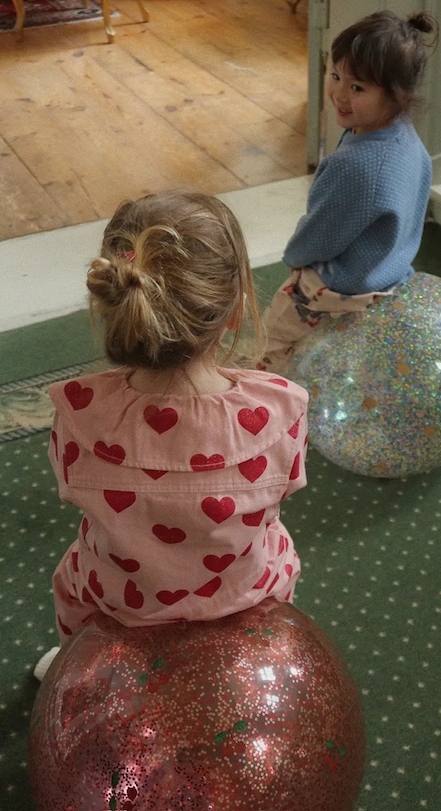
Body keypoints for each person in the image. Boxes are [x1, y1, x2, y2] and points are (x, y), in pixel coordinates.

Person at [34, 190, 308, 680]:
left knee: (74, 575)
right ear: (234, 310)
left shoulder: (78, 410)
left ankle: (79, 670)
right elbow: (286, 489)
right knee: (279, 546)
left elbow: (68, 486)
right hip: (243, 595)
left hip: (120, 599)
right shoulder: (282, 408)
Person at [259, 9, 439, 374]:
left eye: (357, 88)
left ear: (397, 96)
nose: (339, 94)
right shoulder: (407, 140)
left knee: (271, 338)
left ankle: (267, 396)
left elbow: (321, 235)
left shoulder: (356, 166)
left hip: (338, 286)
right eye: (336, 76)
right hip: (387, 275)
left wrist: (295, 256)